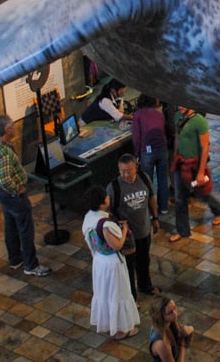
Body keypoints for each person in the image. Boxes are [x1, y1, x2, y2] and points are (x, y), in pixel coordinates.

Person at [0, 114, 51, 276]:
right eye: (13, 126)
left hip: (2, 195)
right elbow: (5, 179)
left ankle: (15, 259)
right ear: (8, 130)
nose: (15, 128)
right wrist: (18, 189)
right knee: (26, 230)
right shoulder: (6, 154)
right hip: (13, 196)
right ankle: (31, 265)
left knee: (10, 226)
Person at [81, 185, 140, 339]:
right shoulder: (105, 224)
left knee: (105, 293)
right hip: (112, 264)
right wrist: (125, 229)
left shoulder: (89, 218)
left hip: (100, 261)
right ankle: (121, 329)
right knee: (118, 294)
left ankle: (109, 323)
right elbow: (117, 245)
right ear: (102, 203)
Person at [107, 154, 161, 298]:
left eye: (129, 170)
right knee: (128, 267)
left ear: (136, 167)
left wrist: (155, 218)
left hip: (144, 230)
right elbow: (108, 212)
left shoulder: (144, 178)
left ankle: (145, 286)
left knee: (144, 261)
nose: (126, 174)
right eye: (122, 171)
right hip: (127, 237)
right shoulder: (114, 187)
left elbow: (151, 197)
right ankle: (131, 296)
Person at [169, 105, 220, 242]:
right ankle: (182, 230)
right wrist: (175, 157)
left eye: (183, 104)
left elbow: (205, 147)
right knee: (180, 198)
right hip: (181, 163)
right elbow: (177, 137)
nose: (179, 107)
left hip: (194, 165)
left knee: (202, 194)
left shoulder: (200, 121)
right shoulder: (178, 117)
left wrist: (201, 172)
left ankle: (219, 210)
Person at [133, 95, 171, 214]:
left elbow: (137, 137)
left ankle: (150, 211)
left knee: (147, 182)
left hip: (147, 151)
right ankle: (164, 207)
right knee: (163, 179)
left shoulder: (138, 115)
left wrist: (137, 154)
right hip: (162, 148)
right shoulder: (159, 113)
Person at [147, 295, 194, 362]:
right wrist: (182, 345)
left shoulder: (169, 322)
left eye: (175, 308)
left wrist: (191, 329)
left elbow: (184, 332)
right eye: (170, 312)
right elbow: (183, 343)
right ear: (161, 316)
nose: (175, 314)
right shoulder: (160, 343)